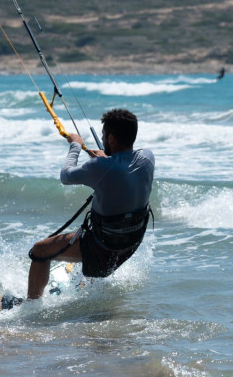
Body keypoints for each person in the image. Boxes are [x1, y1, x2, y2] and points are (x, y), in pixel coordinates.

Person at [9, 109, 155, 306]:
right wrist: (105, 159)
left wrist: (75, 145)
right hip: (130, 243)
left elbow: (66, 175)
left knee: (39, 250)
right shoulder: (147, 157)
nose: (102, 139)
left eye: (103, 135)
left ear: (111, 138)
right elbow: (121, 168)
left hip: (104, 249)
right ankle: (89, 288)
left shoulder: (99, 167)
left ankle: (31, 306)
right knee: (102, 228)